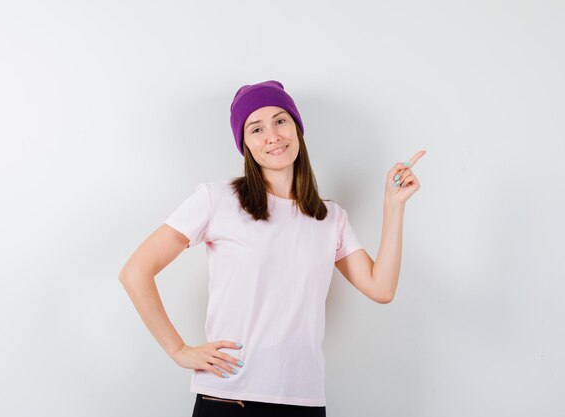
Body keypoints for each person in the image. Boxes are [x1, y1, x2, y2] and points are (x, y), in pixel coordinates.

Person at [119, 80, 426, 417]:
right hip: (228, 397)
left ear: (296, 127)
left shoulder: (329, 218)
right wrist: (178, 350)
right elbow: (135, 272)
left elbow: (381, 288)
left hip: (302, 401)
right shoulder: (217, 200)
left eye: (280, 120)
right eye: (256, 128)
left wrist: (393, 205)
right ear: (245, 143)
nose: (273, 136)